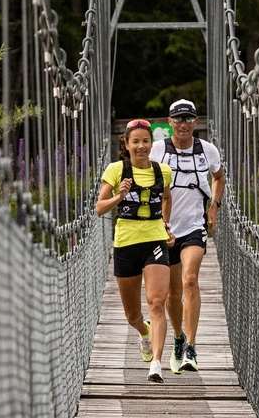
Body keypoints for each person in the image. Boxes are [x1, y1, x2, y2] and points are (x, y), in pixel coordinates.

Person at [96, 118, 175, 383]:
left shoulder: (163, 171)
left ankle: (156, 363)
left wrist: (165, 224)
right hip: (126, 243)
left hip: (154, 240)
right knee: (133, 316)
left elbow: (166, 197)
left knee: (156, 302)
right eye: (136, 142)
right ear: (126, 144)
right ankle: (143, 333)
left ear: (151, 143)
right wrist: (119, 196)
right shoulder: (116, 169)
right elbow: (99, 208)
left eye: (146, 141)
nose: (141, 146)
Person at [149, 99, 225, 374]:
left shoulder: (207, 150)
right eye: (178, 119)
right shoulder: (157, 150)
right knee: (171, 294)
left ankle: (191, 347)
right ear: (169, 122)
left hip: (194, 225)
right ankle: (178, 338)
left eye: (188, 119)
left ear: (196, 121)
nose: (183, 124)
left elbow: (219, 178)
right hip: (164, 228)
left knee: (190, 279)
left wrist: (214, 206)